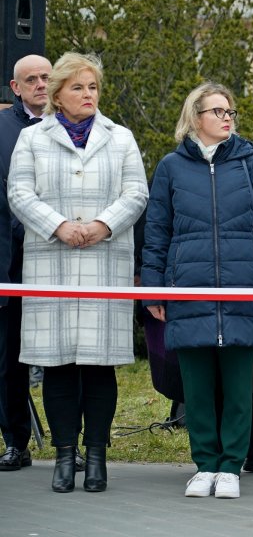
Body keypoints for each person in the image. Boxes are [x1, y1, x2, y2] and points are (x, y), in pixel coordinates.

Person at [7, 52, 148, 493]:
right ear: (58, 94)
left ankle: (98, 456)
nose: (88, 95)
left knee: (100, 366)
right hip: (52, 262)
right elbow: (19, 193)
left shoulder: (120, 136)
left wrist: (100, 225)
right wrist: (60, 226)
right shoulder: (32, 139)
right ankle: (65, 457)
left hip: (106, 261)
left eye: (93, 88)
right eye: (78, 88)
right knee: (60, 365)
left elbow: (136, 193)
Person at [142, 82, 253, 499]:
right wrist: (154, 291)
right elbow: (156, 233)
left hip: (244, 293)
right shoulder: (171, 167)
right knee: (197, 386)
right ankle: (205, 464)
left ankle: (231, 468)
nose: (227, 118)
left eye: (230, 112)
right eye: (218, 111)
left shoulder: (250, 162)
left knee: (241, 386)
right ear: (195, 118)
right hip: (189, 292)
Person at [0, 54, 50, 472]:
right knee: (8, 358)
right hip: (11, 263)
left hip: (62, 258)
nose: (40, 84)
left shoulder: (78, 128)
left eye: (47, 77)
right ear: (15, 88)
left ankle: (79, 444)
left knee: (68, 356)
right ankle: (16, 442)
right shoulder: (1, 130)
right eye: (30, 79)